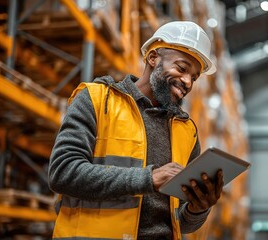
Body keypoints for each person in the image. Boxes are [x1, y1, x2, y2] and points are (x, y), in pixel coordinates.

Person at [48, 21, 223, 240]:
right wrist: (148, 178)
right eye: (181, 68)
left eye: (194, 77)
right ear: (153, 58)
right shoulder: (97, 100)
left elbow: (181, 222)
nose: (187, 81)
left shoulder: (186, 131)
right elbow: (63, 172)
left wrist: (198, 208)